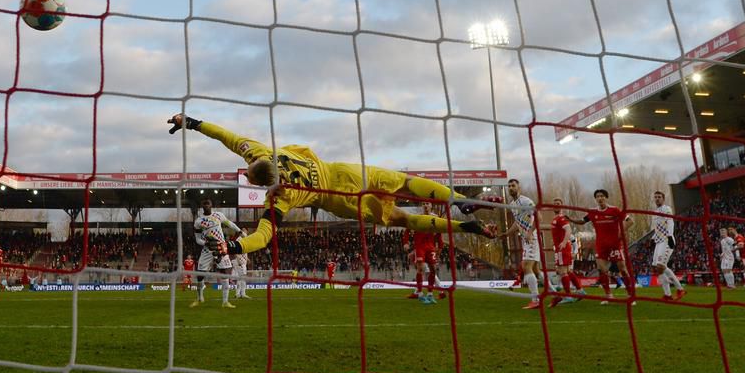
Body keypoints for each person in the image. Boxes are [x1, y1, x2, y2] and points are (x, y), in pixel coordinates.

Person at [166, 116, 498, 257]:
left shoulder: (281, 199)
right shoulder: (262, 152)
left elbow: (264, 237)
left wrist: (236, 248)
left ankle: (461, 226)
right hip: (345, 171)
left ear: (259, 181)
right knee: (406, 183)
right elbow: (226, 136)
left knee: (401, 219)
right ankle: (456, 200)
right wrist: (191, 123)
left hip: (340, 199)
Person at [570, 190, 635, 304]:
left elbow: (630, 221)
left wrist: (620, 232)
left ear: (606, 198)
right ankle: (608, 295)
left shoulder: (614, 210)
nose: (600, 198)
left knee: (623, 270)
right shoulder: (593, 212)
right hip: (601, 245)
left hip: (615, 244)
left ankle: (630, 295)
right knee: (602, 270)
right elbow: (582, 221)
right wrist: (571, 220)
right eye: (598, 196)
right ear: (595, 199)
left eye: (602, 196)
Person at [495, 179, 550, 310]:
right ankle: (555, 292)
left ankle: (536, 300)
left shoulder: (526, 201)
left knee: (526, 266)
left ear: (519, 187)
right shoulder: (513, 204)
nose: (510, 188)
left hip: (532, 237)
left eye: (513, 186)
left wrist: (530, 232)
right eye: (509, 186)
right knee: (536, 270)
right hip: (527, 238)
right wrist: (507, 233)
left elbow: (539, 217)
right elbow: (517, 223)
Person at [192, 199, 241, 308]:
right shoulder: (198, 221)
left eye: (208, 203)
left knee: (225, 274)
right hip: (207, 250)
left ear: (211, 205)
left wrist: (239, 231)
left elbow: (230, 224)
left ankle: (225, 302)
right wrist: (207, 243)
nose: (206, 205)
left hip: (221, 248)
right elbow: (198, 239)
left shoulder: (219, 215)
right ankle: (199, 298)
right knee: (200, 276)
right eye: (204, 203)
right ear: (202, 206)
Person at [403, 202, 445, 303]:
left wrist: (440, 246)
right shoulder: (418, 217)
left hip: (431, 247)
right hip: (420, 247)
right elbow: (407, 229)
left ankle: (430, 294)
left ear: (431, 206)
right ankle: (420, 294)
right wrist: (406, 242)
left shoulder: (435, 218)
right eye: (423, 204)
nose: (425, 205)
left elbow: (439, 233)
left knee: (433, 270)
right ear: (422, 206)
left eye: (427, 204)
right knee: (420, 269)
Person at [548, 198, 585, 307]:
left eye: (558, 204)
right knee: (568, 271)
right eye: (554, 204)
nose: (556, 206)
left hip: (562, 247)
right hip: (562, 247)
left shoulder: (561, 218)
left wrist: (564, 242)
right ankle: (580, 291)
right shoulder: (556, 219)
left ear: (562, 206)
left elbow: (568, 230)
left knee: (562, 271)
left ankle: (568, 296)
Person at [650, 192, 685, 301]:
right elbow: (656, 228)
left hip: (666, 240)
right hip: (658, 241)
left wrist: (670, 236)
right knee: (657, 268)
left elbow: (670, 222)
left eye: (659, 197)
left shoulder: (667, 209)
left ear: (663, 199)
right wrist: (652, 238)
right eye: (655, 197)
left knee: (661, 266)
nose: (657, 199)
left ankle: (680, 289)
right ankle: (667, 295)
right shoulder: (655, 212)